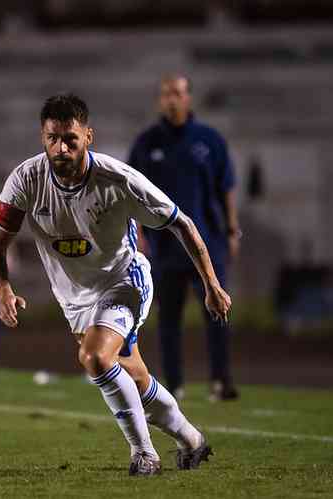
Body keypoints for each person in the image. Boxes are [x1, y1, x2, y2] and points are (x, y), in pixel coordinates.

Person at [0, 94, 231, 475]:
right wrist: (2, 290)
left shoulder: (119, 180)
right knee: (134, 376)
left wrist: (212, 284)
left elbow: (182, 223)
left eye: (71, 139)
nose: (61, 148)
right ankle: (191, 439)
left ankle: (144, 453)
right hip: (76, 299)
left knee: (96, 358)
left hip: (124, 281)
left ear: (89, 137)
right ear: (42, 138)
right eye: (52, 139)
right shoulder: (26, 179)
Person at [128, 74, 240, 401]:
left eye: (177, 93)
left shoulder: (210, 140)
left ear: (189, 97)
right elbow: (129, 192)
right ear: (160, 100)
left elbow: (227, 188)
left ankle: (221, 381)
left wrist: (232, 230)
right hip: (164, 248)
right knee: (168, 320)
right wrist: (139, 233)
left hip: (208, 244)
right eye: (166, 94)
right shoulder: (147, 143)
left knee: (218, 311)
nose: (172, 99)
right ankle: (174, 384)